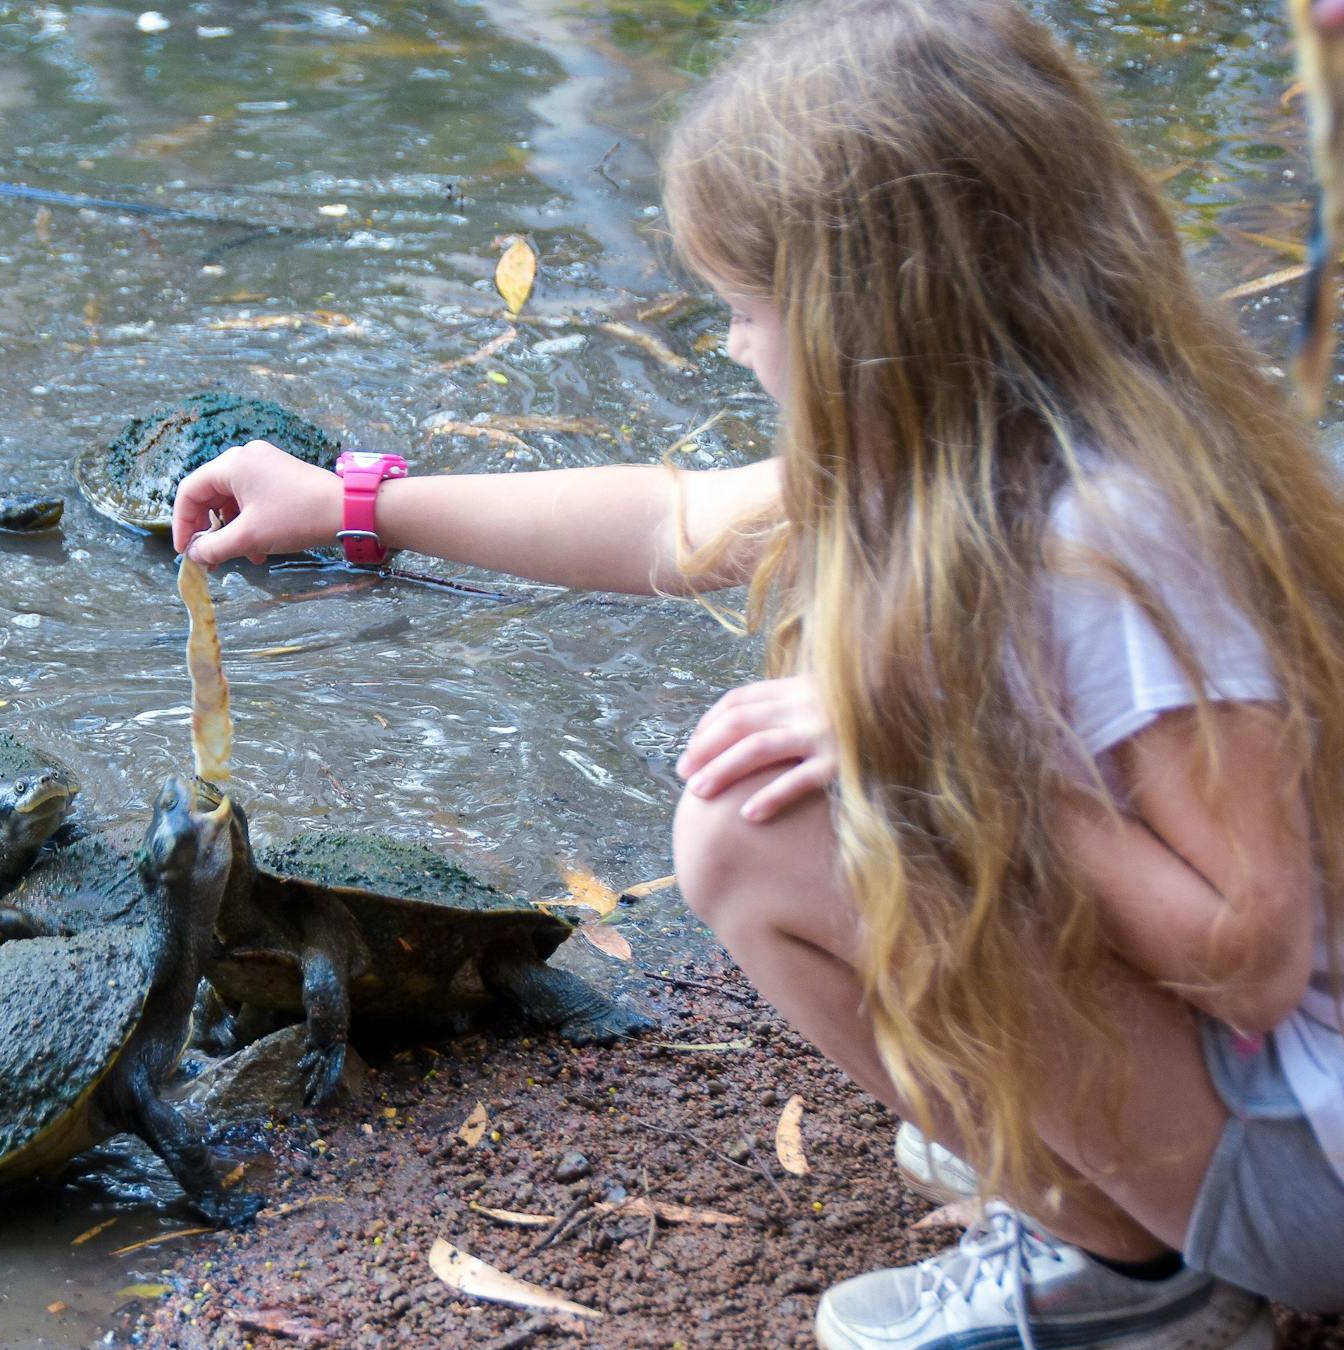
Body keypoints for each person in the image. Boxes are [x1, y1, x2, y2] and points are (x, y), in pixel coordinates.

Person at [173, 0, 1344, 1343]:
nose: (734, 345)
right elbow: (669, 523)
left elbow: (1253, 958)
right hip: (1274, 1109)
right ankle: (1112, 1167)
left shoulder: (1113, 537)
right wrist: (350, 502)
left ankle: (1136, 1275)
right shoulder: (996, 433)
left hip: (1306, 1166)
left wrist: (941, 750)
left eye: (749, 306)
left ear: (876, 316)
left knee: (750, 832)